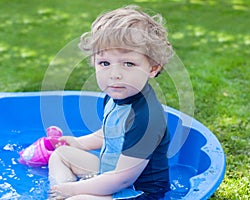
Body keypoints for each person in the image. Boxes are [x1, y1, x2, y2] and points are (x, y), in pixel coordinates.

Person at [48, 5, 173, 200]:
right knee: (62, 155)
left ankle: (67, 193)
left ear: (153, 68)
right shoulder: (116, 95)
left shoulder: (146, 118)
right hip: (109, 173)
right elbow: (109, 133)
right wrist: (78, 143)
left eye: (129, 64)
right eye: (105, 63)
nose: (114, 75)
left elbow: (122, 180)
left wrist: (75, 192)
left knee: (77, 199)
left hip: (136, 191)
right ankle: (58, 193)